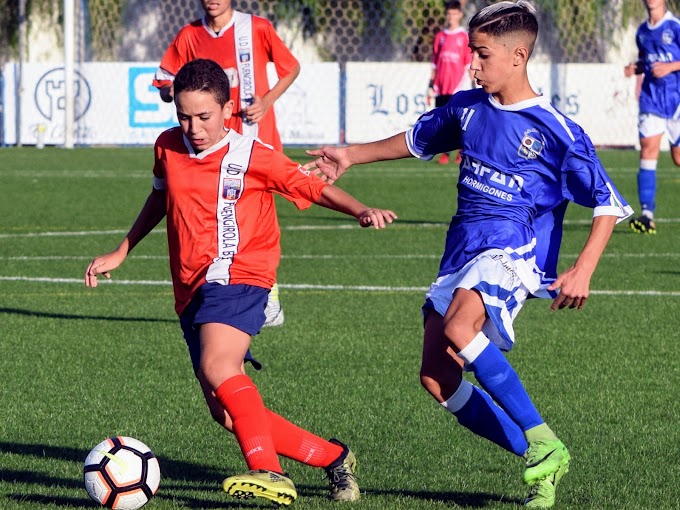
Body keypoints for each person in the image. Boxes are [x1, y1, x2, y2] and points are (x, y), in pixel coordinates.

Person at [306, 2, 632, 508]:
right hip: (462, 248)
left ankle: (541, 436)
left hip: (512, 250)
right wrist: (351, 154)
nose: (472, 65)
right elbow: (415, 140)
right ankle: (540, 456)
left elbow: (608, 202)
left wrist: (583, 268)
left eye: (480, 54)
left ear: (518, 55)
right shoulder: (467, 107)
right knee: (438, 379)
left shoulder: (554, 130)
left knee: (462, 329)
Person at [87, 59, 397, 506]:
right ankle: (335, 458)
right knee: (227, 414)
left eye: (204, 117)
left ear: (228, 108)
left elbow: (308, 187)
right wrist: (123, 248)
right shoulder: (167, 146)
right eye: (184, 116)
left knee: (218, 367)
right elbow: (160, 198)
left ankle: (268, 470)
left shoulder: (251, 155)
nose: (193, 127)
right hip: (190, 286)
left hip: (242, 273)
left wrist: (360, 210)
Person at [153, 0, 301, 326]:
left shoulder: (256, 28)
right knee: (215, 220)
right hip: (209, 149)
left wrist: (266, 100)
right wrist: (179, 92)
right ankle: (216, 293)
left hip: (254, 139)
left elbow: (291, 67)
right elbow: (165, 81)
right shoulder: (189, 35)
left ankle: (268, 292)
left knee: (261, 216)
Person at [623, 0, 680, 234]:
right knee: (648, 149)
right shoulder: (642, 32)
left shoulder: (674, 27)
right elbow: (645, 63)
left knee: (678, 158)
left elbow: (667, 64)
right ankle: (647, 215)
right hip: (651, 99)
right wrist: (635, 68)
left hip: (676, 101)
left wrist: (671, 67)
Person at [428, 0, 472, 165]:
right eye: (449, 13)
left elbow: (468, 64)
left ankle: (461, 151)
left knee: (459, 120)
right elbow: (434, 63)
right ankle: (445, 153)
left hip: (458, 86)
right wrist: (431, 85)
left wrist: (473, 84)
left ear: (460, 15)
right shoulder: (440, 37)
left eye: (454, 13)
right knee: (442, 122)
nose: (451, 16)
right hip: (441, 86)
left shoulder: (463, 37)